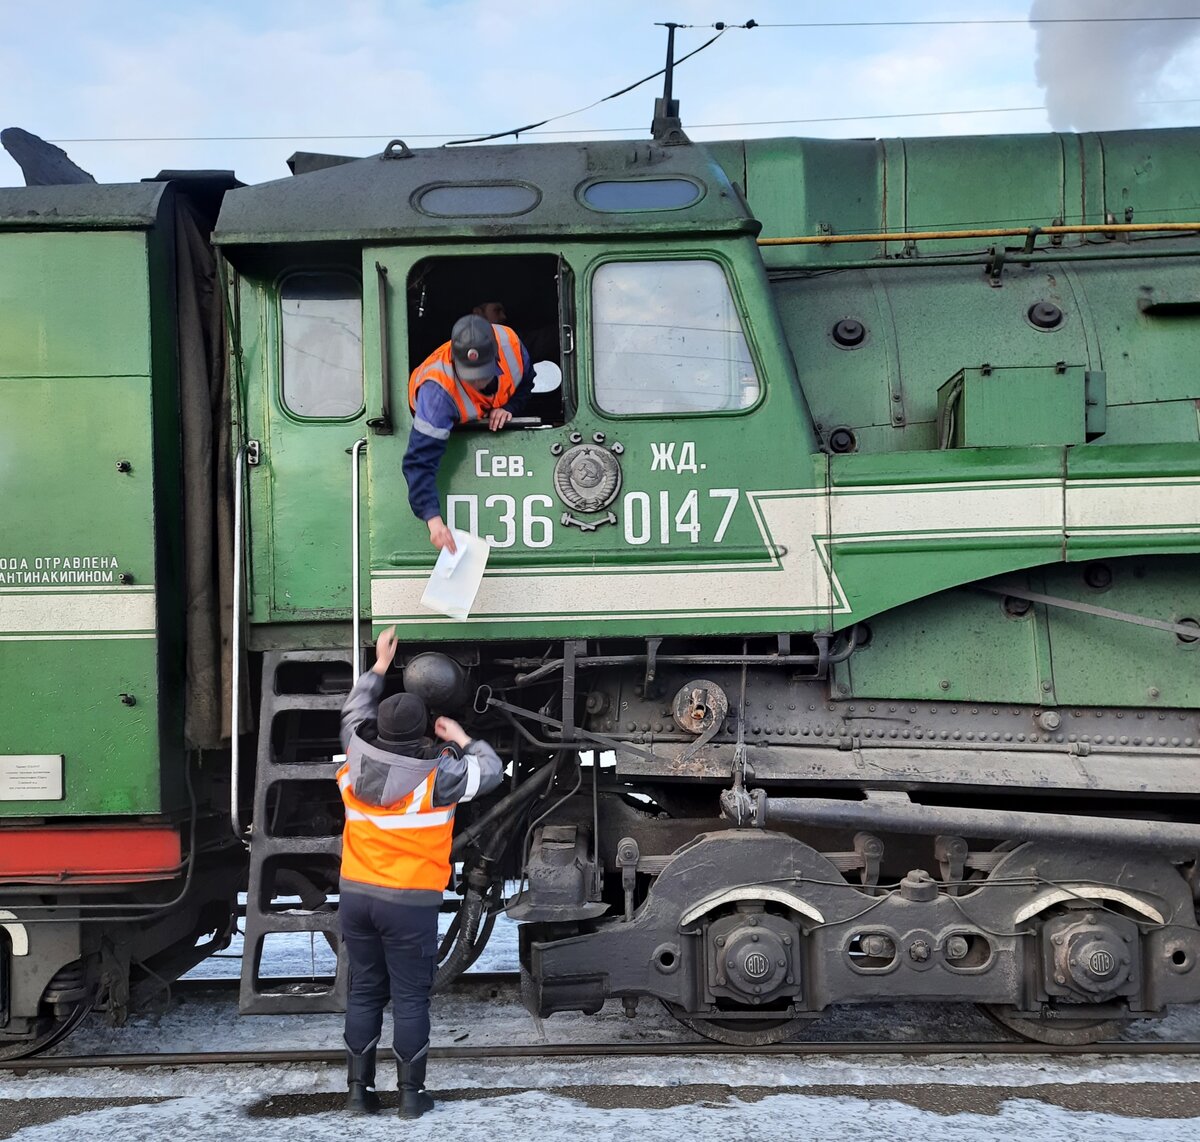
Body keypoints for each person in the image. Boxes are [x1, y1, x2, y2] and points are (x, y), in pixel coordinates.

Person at [337, 626, 504, 1117]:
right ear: (420, 734)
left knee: (364, 991)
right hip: (408, 902)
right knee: (410, 998)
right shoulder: (437, 779)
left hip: (357, 896)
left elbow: (352, 714)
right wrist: (462, 738)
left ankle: (357, 1093)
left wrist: (379, 668)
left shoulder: (352, 760)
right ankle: (411, 1097)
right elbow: (490, 771)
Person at [404, 313, 535, 554]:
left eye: (483, 374)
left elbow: (526, 383)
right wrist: (434, 522)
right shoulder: (436, 395)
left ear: (496, 356)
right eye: (470, 376)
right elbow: (419, 461)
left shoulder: (511, 345)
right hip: (439, 420)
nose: (477, 383)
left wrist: (508, 408)